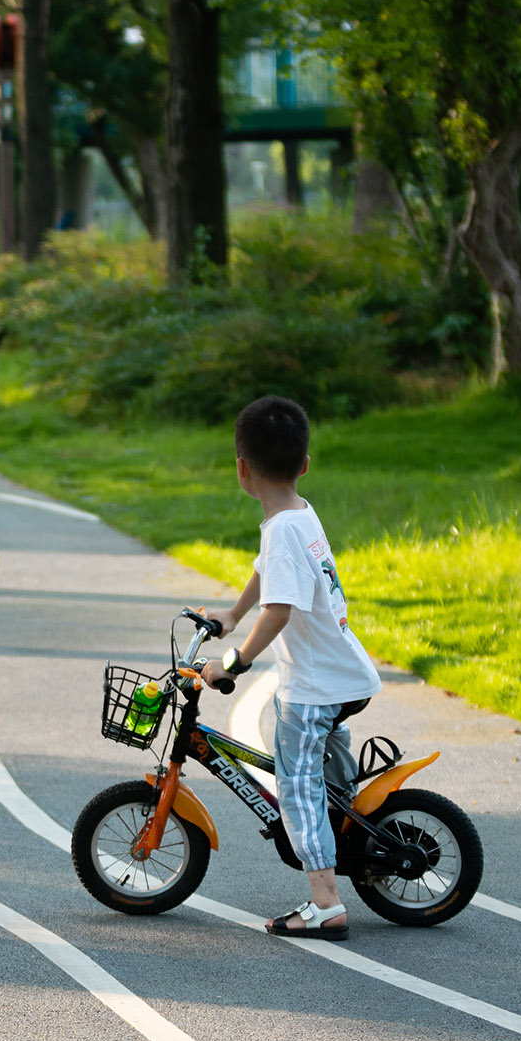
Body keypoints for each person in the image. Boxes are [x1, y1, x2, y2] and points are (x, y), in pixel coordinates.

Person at [200, 395, 381, 942]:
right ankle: (348, 828)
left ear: (241, 469)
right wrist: (233, 613)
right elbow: (268, 576)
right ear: (304, 465)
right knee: (327, 777)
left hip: (314, 687)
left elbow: (279, 610)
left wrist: (235, 660)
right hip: (341, 672)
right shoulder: (298, 515)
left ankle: (326, 903)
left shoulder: (280, 531)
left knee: (296, 785)